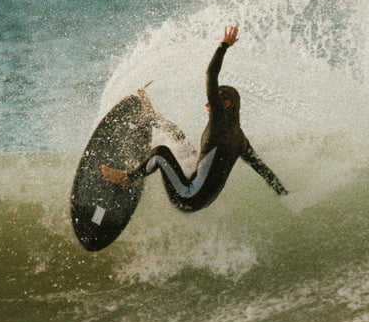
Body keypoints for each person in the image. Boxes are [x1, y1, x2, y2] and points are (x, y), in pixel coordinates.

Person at [102, 25, 288, 212]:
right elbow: (265, 171)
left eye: (212, 101)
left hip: (188, 196)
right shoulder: (239, 139)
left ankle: (128, 178)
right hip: (200, 198)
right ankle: (152, 117)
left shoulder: (219, 122)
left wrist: (223, 46)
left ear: (227, 104)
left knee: (160, 153)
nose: (207, 105)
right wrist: (285, 195)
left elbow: (211, 74)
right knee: (178, 135)